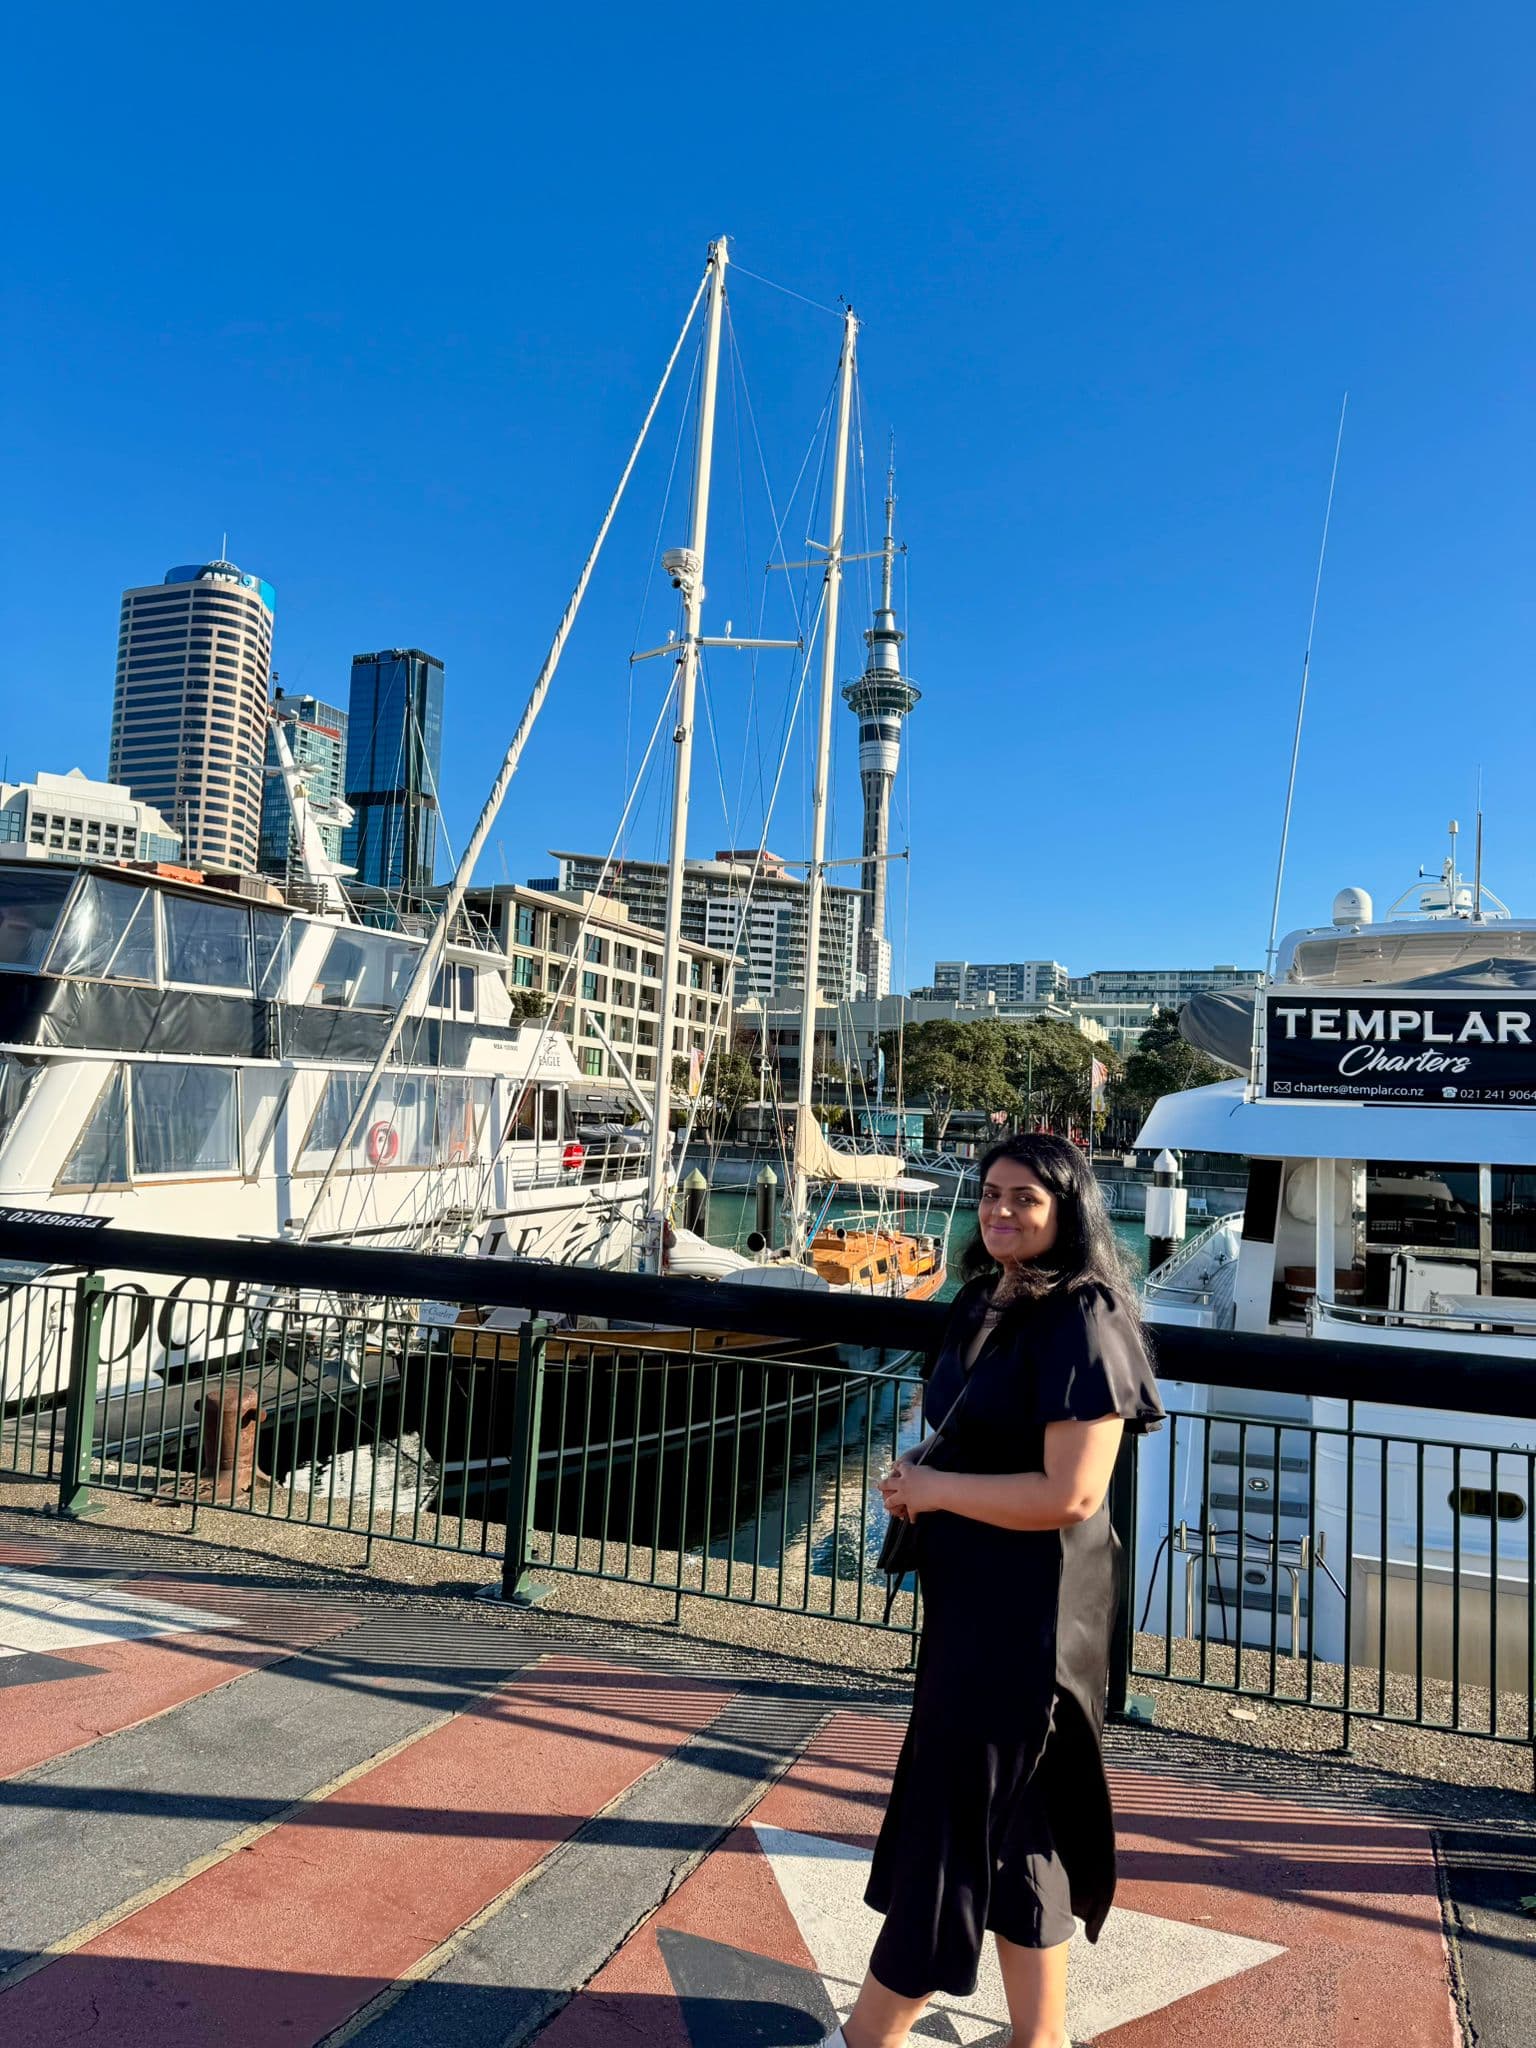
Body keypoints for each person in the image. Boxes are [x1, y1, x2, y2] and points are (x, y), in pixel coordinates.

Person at [828, 1133, 1163, 2048]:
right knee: (1023, 1833)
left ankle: (870, 2037)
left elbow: (1072, 1493)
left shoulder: (1084, 1316)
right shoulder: (987, 1299)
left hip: (1032, 1620)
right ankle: (1039, 2039)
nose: (1001, 1211)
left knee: (950, 1820)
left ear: (1068, 1212)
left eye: (1025, 1198)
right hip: (974, 1600)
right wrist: (924, 1478)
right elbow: (973, 1429)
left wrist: (935, 1492)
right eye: (990, 1194)